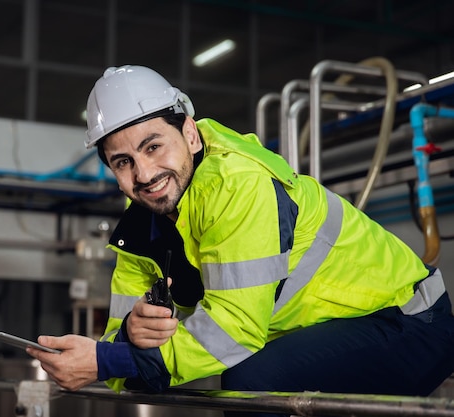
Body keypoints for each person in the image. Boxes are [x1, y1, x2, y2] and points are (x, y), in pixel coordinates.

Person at [27, 65, 454, 416]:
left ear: (190, 136)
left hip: (408, 322)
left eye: (153, 146)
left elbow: (234, 331)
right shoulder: (143, 219)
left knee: (251, 383)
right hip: (331, 331)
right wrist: (127, 339)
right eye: (123, 162)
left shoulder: (237, 187)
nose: (143, 174)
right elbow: (124, 343)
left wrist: (105, 361)